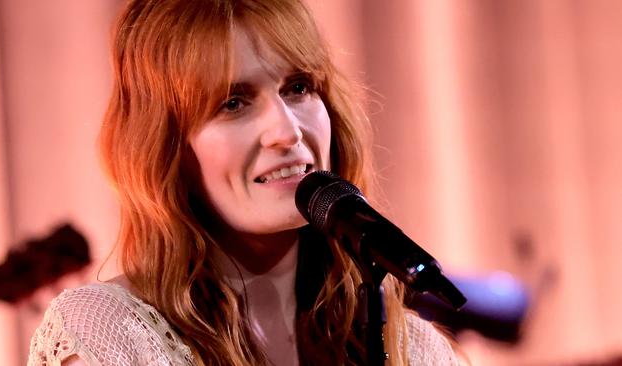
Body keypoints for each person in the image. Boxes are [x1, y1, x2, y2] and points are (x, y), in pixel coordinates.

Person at [28, 0, 462, 365]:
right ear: (166, 147)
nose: (287, 131)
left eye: (298, 87)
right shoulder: (109, 336)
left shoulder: (411, 350)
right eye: (234, 103)